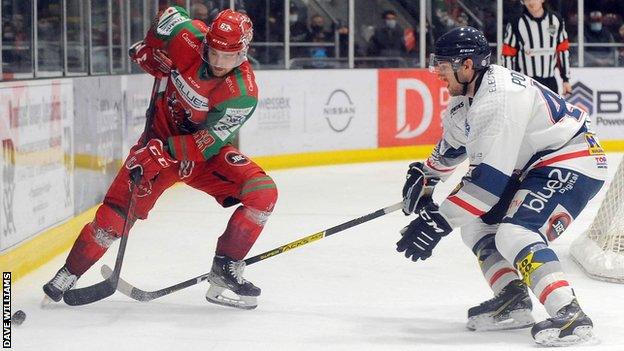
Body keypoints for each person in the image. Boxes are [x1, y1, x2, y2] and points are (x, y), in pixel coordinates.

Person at [42, 6, 278, 310]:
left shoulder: (242, 93)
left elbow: (206, 143)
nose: (219, 62)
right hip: (156, 144)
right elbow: (166, 18)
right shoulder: (187, 36)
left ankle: (226, 267)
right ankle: (68, 273)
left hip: (203, 157)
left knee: (263, 193)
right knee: (113, 219)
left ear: (243, 52)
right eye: (214, 52)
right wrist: (147, 51)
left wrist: (165, 151)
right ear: (206, 41)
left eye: (228, 56)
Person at [399, 26, 606, 346]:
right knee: (475, 225)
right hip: (534, 165)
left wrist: (439, 221)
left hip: (571, 159)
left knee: (517, 232)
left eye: (443, 66)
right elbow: (452, 148)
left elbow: (487, 185)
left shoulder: (498, 99)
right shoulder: (466, 98)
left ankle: (570, 312)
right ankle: (513, 298)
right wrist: (426, 177)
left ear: (467, 65)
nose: (438, 73)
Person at [502, 0, 572, 95]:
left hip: (550, 82)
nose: (531, 2)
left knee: (549, 110)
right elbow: (508, 55)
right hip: (526, 82)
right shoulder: (516, 22)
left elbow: (563, 51)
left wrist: (566, 79)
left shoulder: (556, 20)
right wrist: (510, 80)